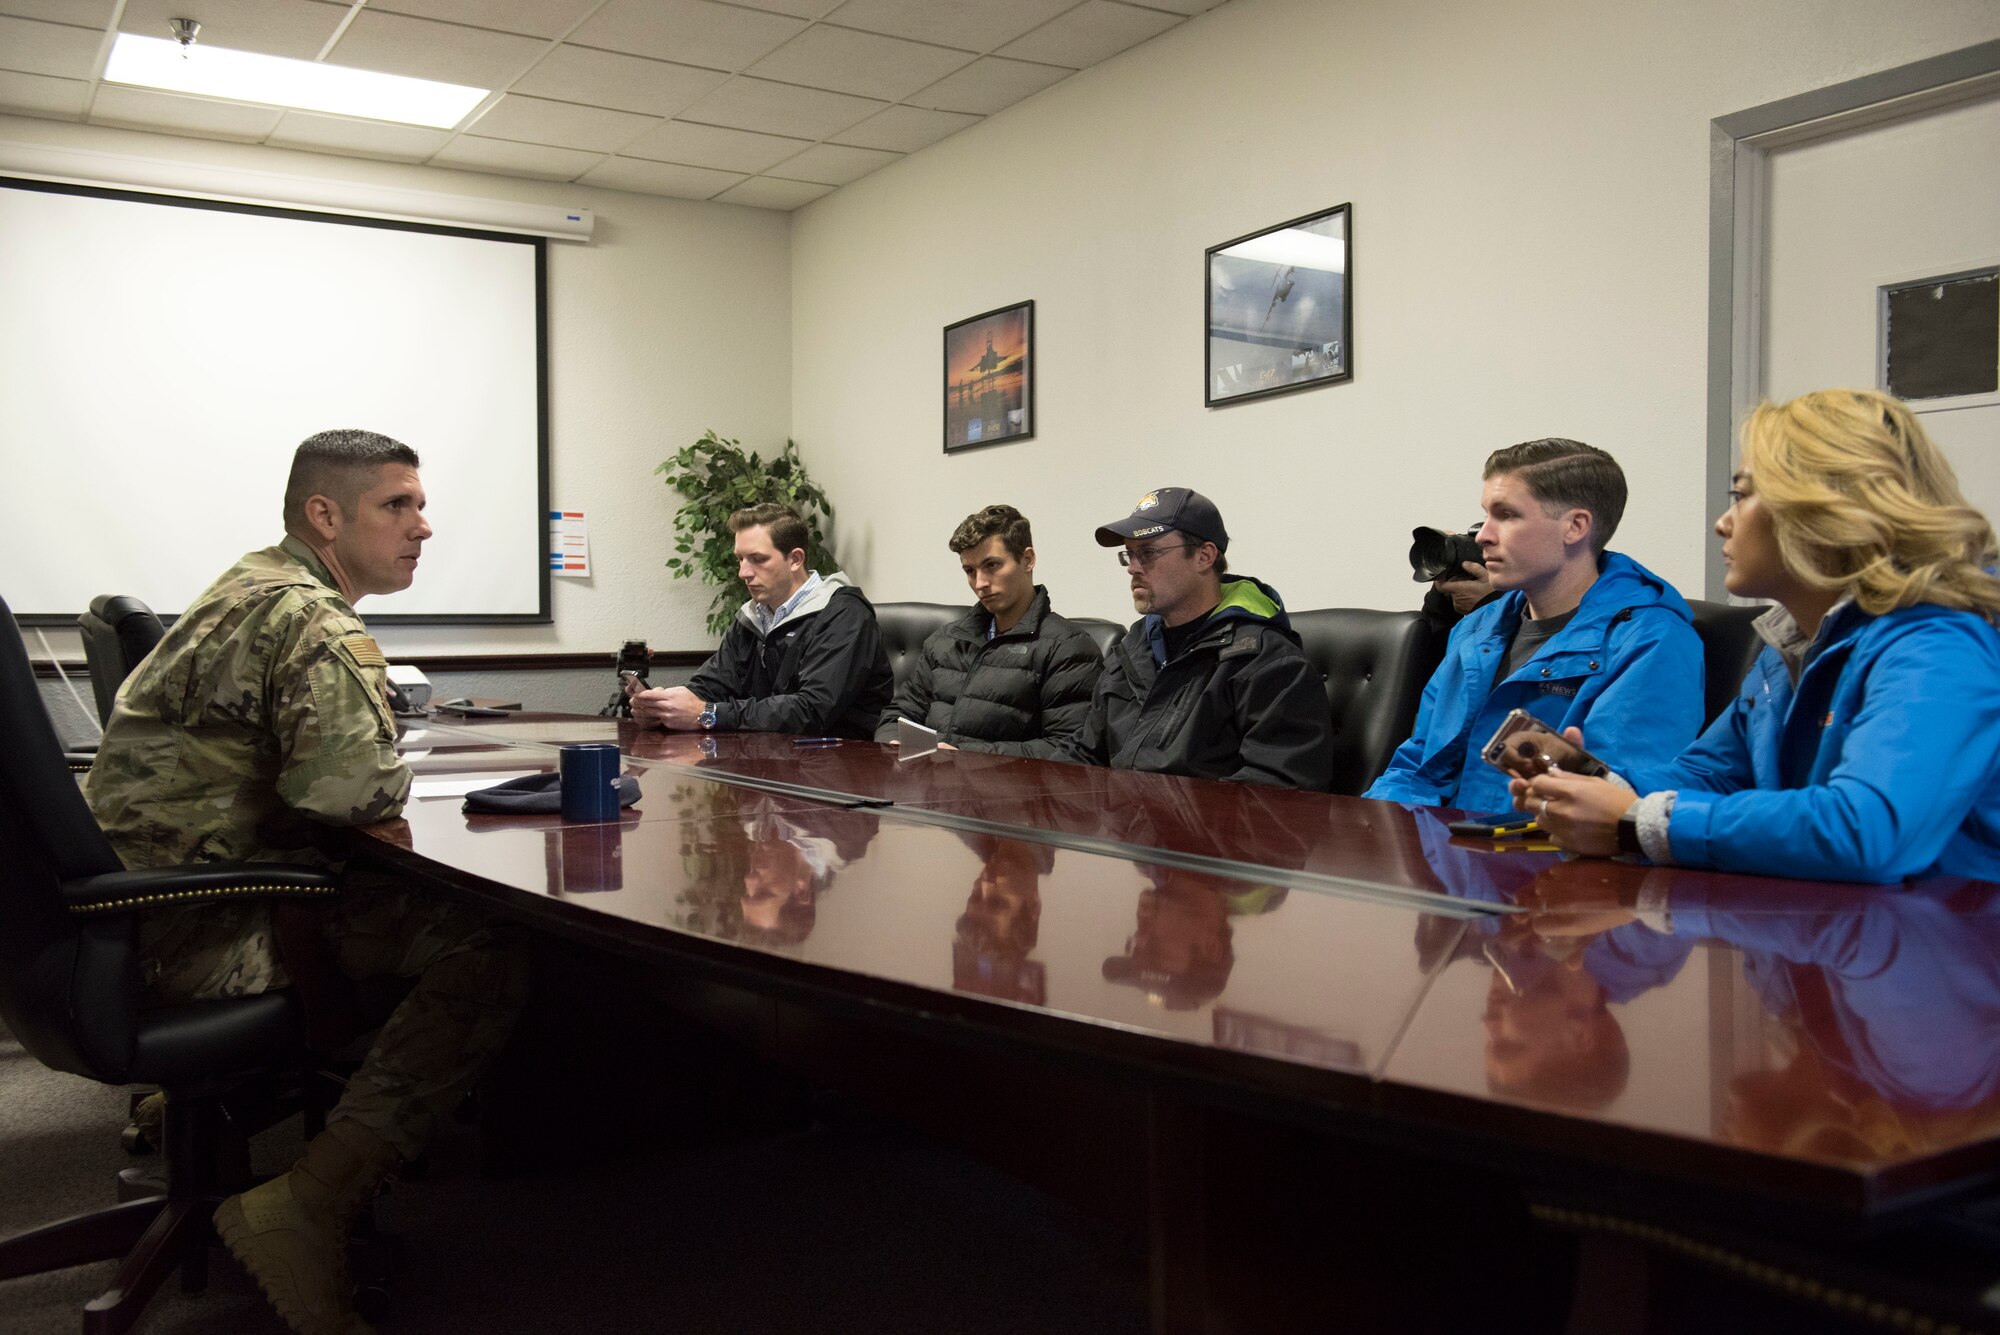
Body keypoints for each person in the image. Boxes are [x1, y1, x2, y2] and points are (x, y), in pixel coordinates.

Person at [84, 429, 526, 1335]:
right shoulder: (310, 617)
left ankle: (239, 1114)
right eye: (397, 505)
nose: (424, 526)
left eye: (420, 503)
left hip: (124, 924)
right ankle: (308, 1206)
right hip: (193, 933)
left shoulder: (251, 585)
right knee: (488, 942)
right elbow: (349, 789)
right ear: (325, 515)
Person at [1512, 390, 2000, 882]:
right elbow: (1710, 776)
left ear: (1823, 509)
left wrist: (1636, 820)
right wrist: (1598, 786)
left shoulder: (1940, 645)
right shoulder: (1789, 647)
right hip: (1840, 939)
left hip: (1946, 947)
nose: (1723, 523)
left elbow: (1866, 830)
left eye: (1742, 497)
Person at [1365, 438, 1703, 814]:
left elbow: (1616, 806)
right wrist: (1375, 832)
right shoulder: (1475, 630)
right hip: (1450, 855)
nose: (1482, 536)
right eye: (1486, 515)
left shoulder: (1652, 641)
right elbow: (1418, 766)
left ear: (1575, 527)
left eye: (1506, 515)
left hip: (1541, 859)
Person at [1063, 487, 1332, 789]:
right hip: (1122, 828)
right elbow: (1086, 755)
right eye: (1130, 554)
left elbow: (1277, 790)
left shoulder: (1266, 661)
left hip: (1202, 833)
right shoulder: (1132, 650)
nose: (1133, 568)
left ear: (1204, 556)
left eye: (1148, 553)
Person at [629, 501, 892, 738]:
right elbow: (712, 684)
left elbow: (812, 710)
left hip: (841, 767)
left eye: (757, 559)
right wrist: (665, 707)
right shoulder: (752, 616)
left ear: (795, 559)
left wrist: (708, 713)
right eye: (740, 559)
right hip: (768, 760)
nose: (743, 572)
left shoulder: (844, 614)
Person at [874, 503, 1103, 756]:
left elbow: (1068, 749)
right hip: (929, 783)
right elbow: (899, 713)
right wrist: (892, 742)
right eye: (970, 571)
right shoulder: (945, 640)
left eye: (992, 565)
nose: (980, 583)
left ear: (1027, 560)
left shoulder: (1068, 648)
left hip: (1009, 791)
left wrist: (963, 756)